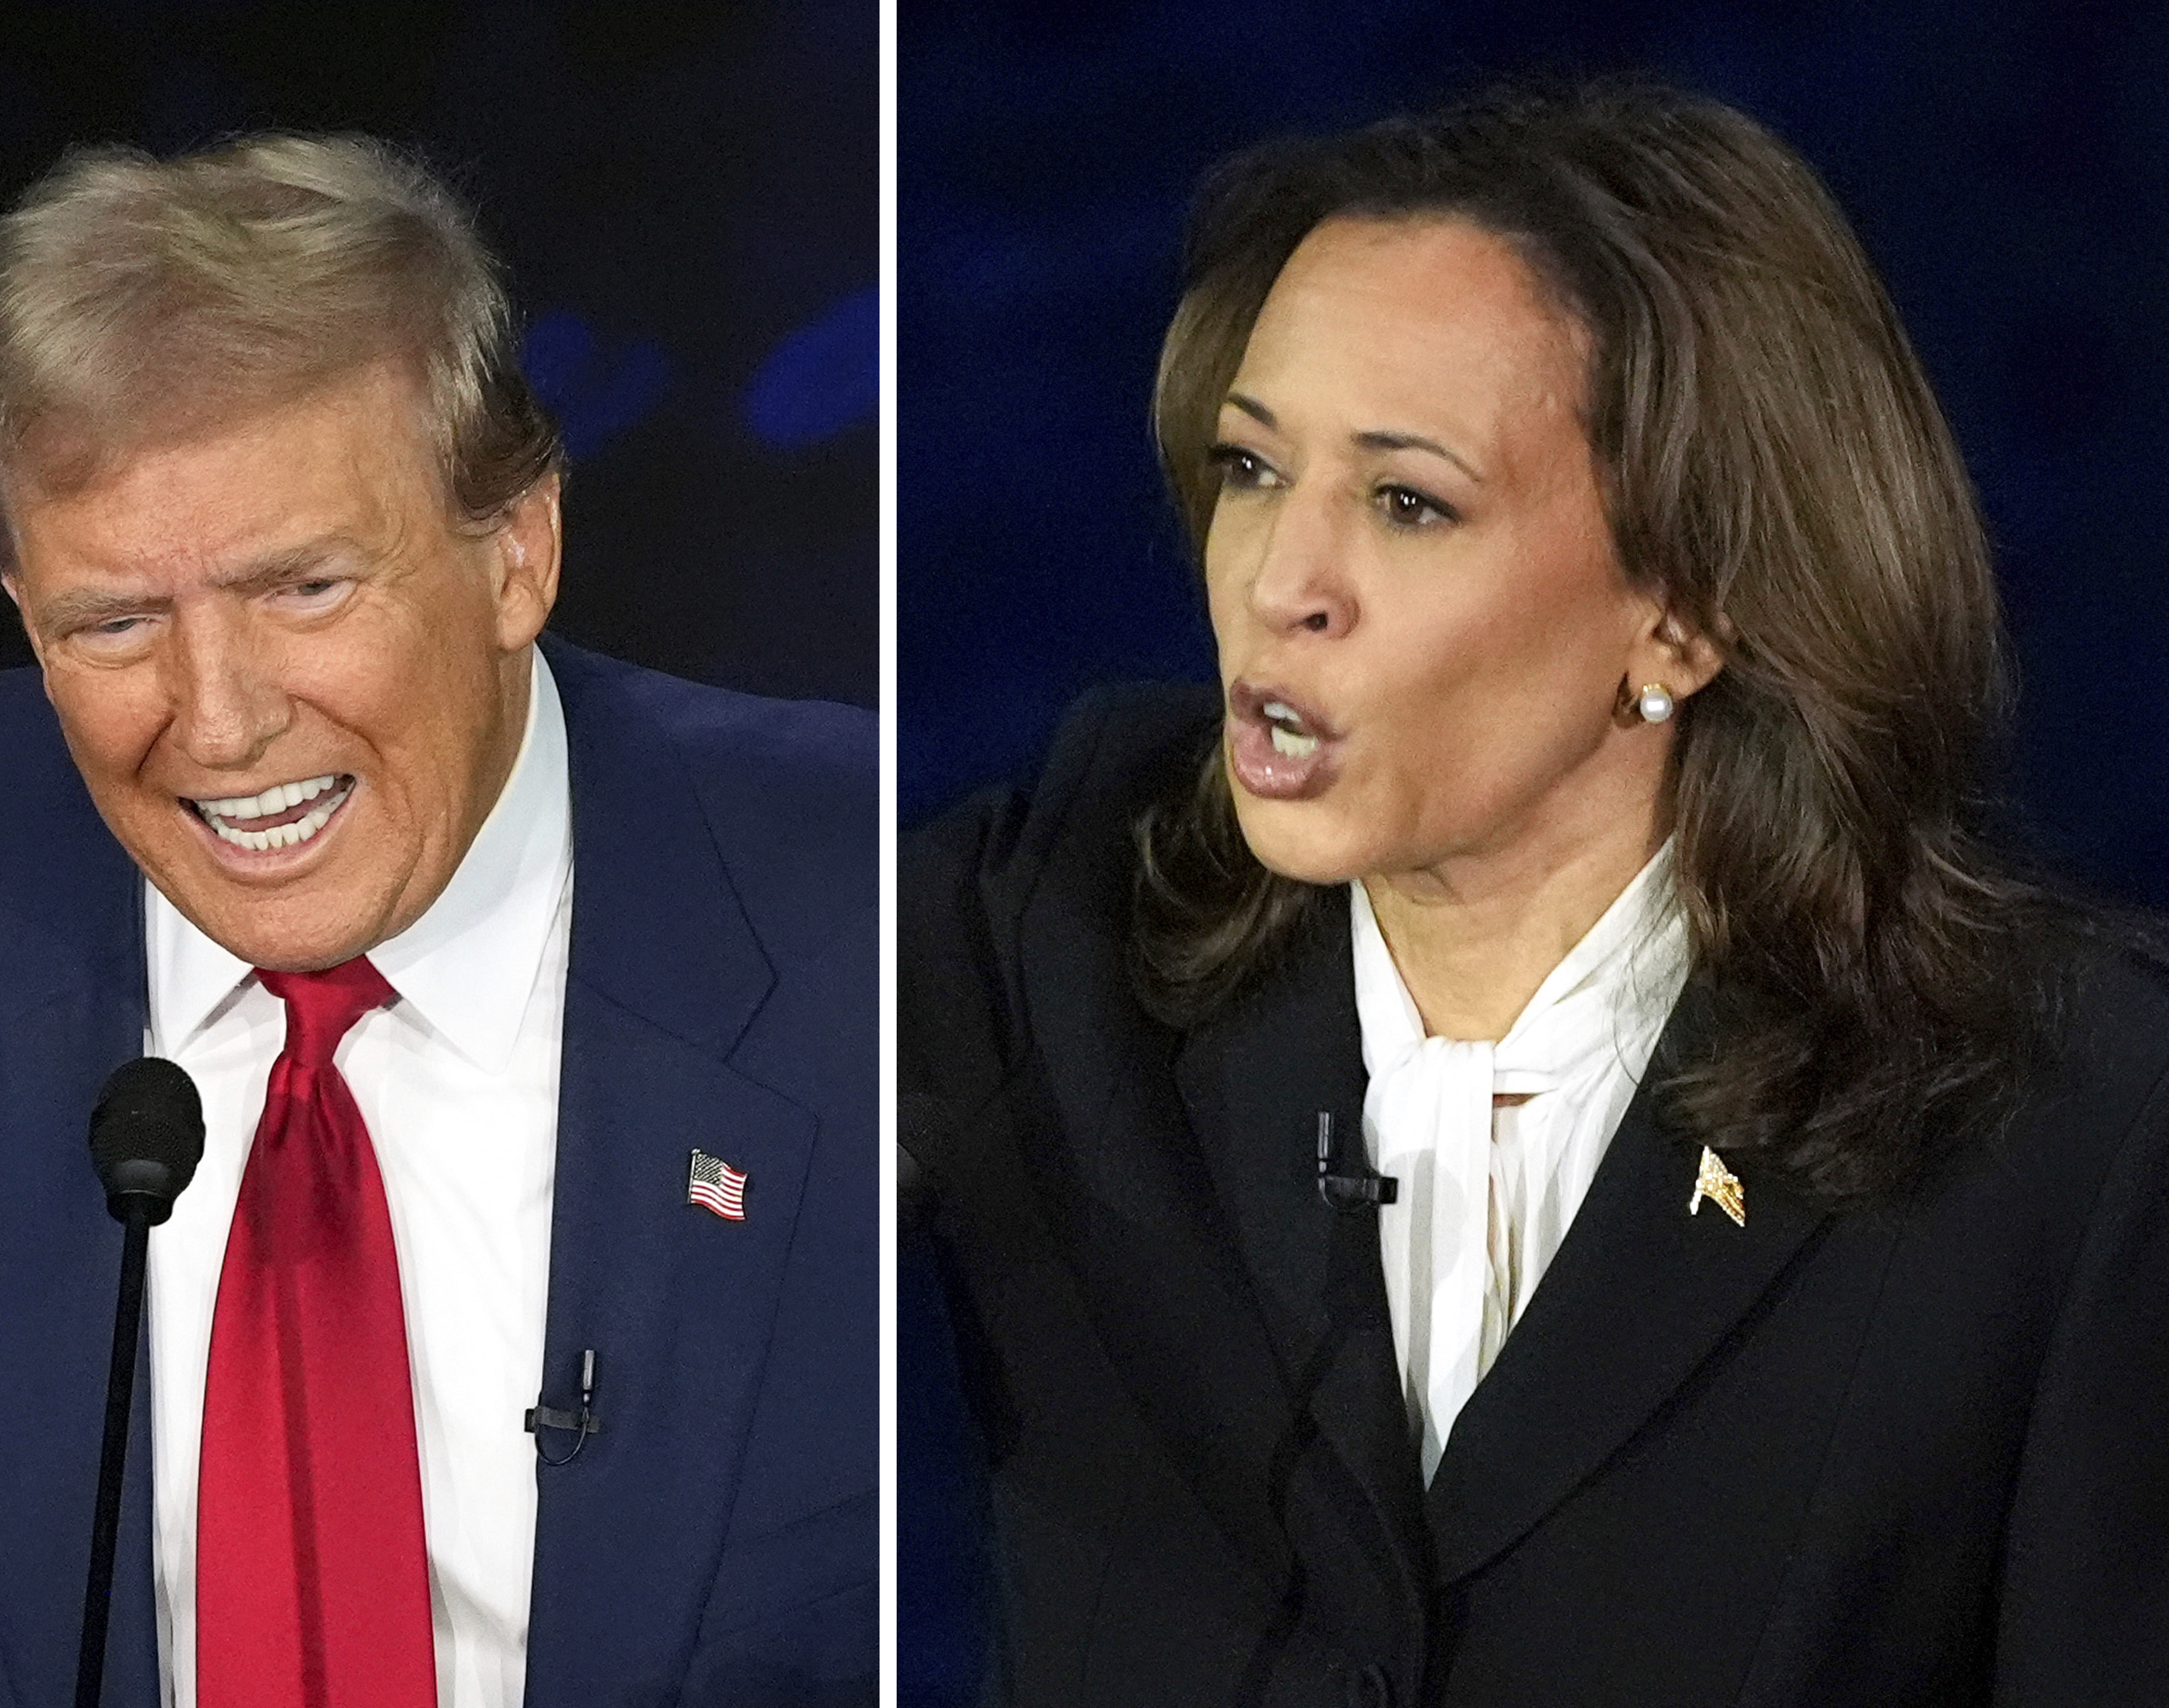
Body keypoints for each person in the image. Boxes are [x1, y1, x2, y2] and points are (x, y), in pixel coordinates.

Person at [903, 83, 2169, 1707]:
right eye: (1248, 468)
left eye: (1408, 501)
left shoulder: (2068, 1134)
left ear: (1685, 615)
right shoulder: (1046, 948)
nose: (1281, 585)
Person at [0, 134, 875, 1708]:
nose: (215, 727)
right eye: (115, 622)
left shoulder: (893, 924)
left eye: (305, 590)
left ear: (517, 552)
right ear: (22, 610)